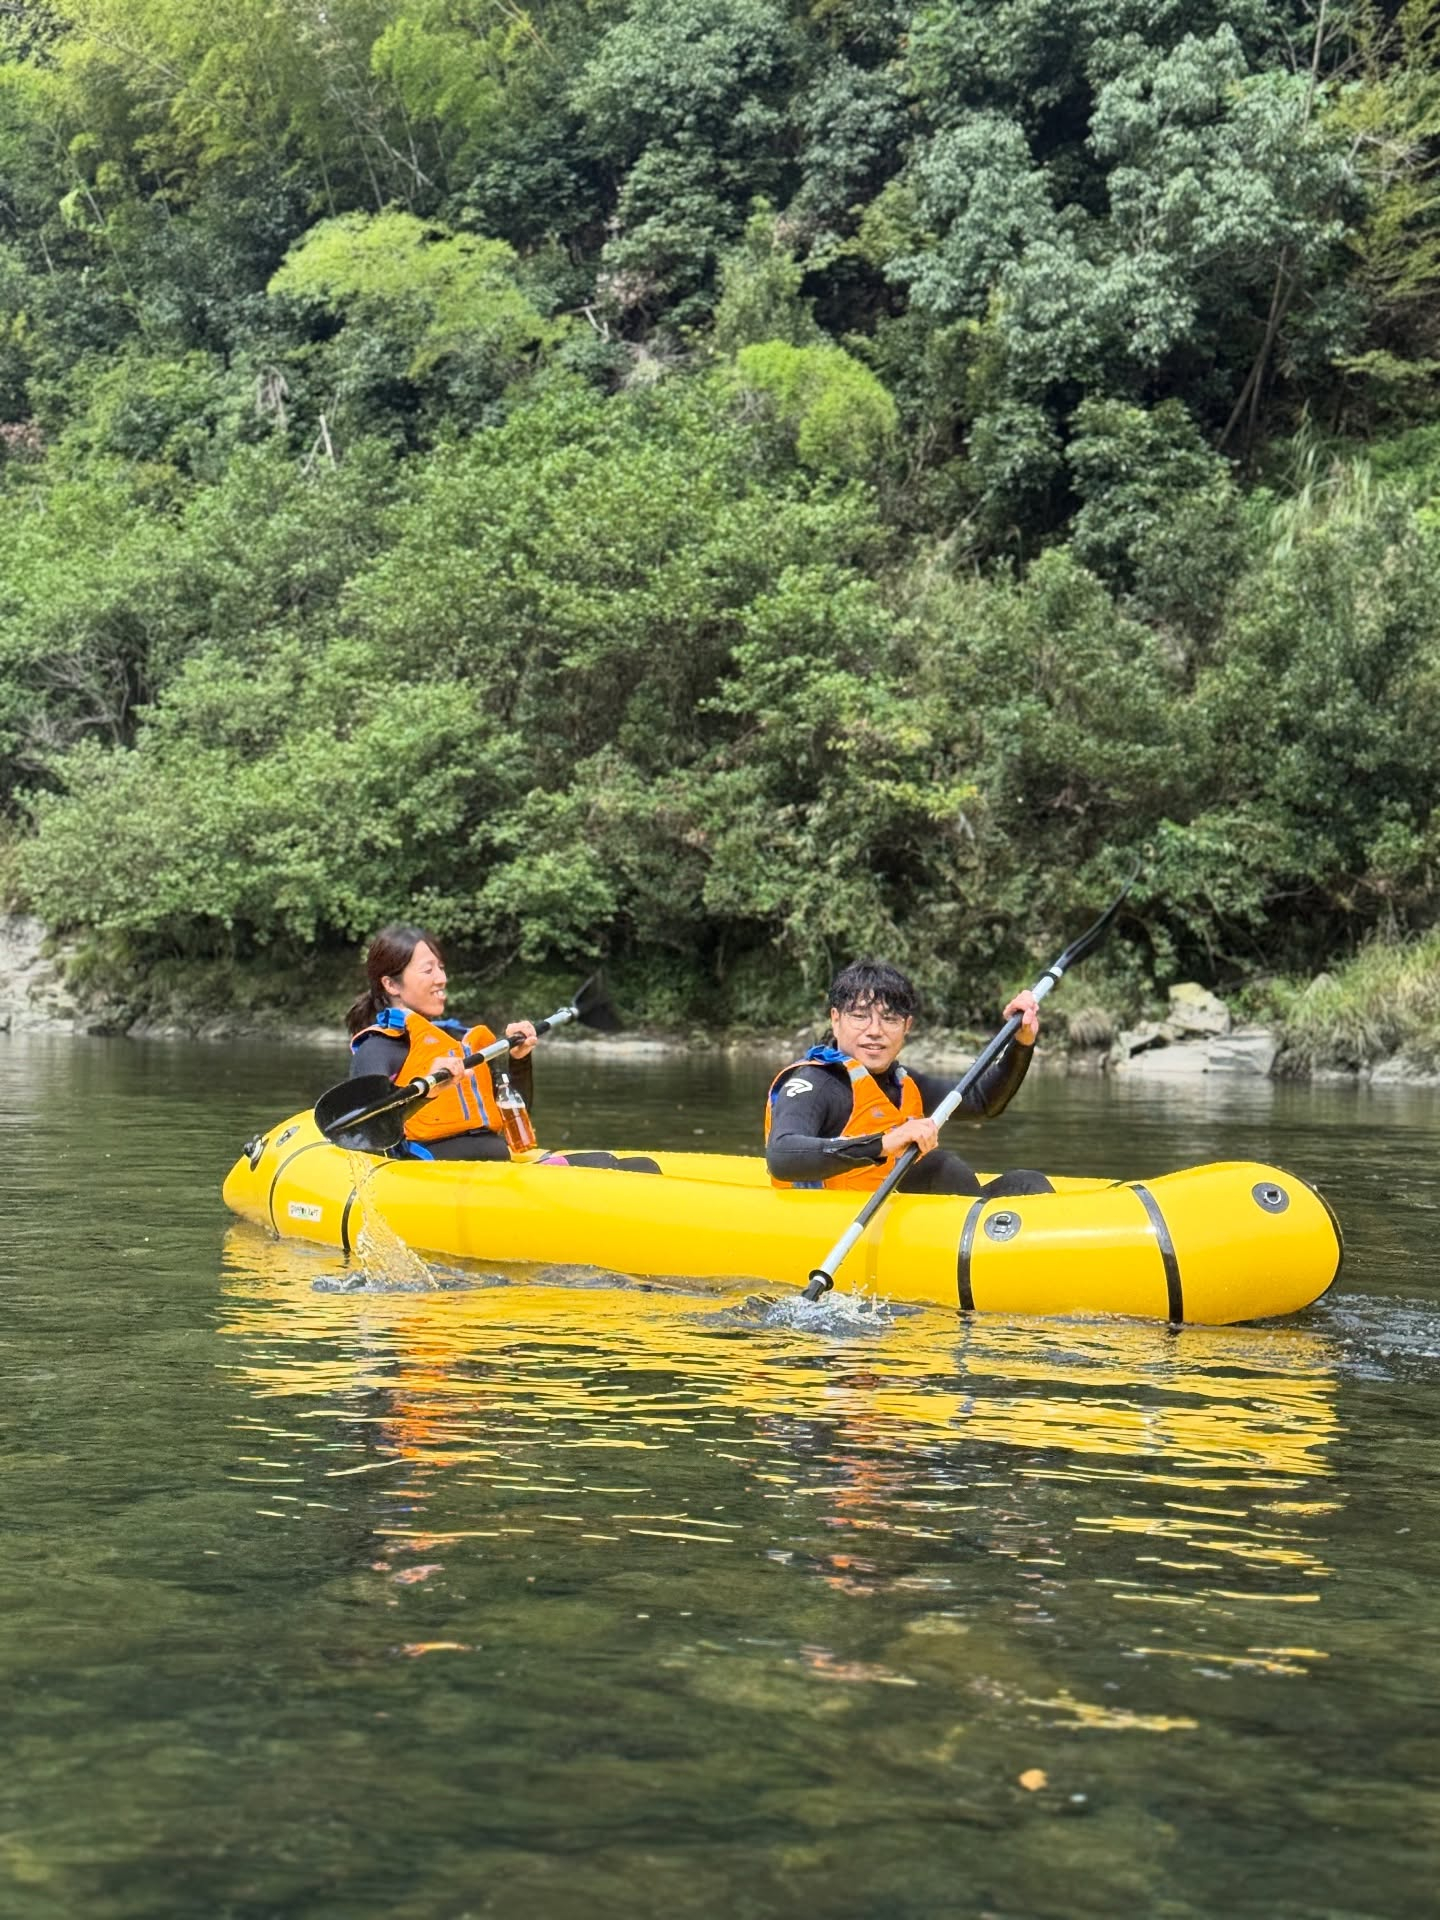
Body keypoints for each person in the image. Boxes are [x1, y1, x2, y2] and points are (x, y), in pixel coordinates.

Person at [346, 925, 659, 1172]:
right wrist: (427, 1090)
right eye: (428, 970)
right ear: (391, 984)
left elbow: (517, 1117)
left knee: (636, 1166)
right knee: (608, 1170)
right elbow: (365, 1132)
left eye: (441, 967)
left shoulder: (459, 1039)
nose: (442, 978)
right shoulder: (380, 1045)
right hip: (435, 1180)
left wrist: (519, 1061)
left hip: (495, 1170)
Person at [765, 959, 1053, 1198]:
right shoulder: (817, 1083)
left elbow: (982, 1102)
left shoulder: (902, 1083)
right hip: (826, 1223)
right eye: (860, 1016)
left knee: (1028, 1183)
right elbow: (782, 1156)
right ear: (835, 1020)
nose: (875, 1030)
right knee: (940, 1167)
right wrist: (883, 1144)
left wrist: (1021, 1041)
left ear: (907, 1027)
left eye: (889, 1019)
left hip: (887, 1214)